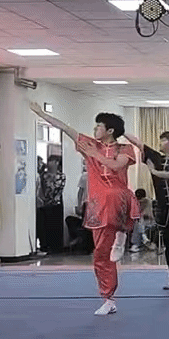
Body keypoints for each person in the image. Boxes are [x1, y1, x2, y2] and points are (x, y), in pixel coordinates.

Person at [30, 104, 138, 316]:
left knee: (115, 195)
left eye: (99, 126)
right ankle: (108, 297)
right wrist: (42, 114)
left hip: (118, 200)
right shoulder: (89, 143)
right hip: (98, 205)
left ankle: (121, 232)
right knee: (100, 254)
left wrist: (94, 154)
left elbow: (116, 166)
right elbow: (66, 128)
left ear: (110, 130)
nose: (95, 129)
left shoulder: (125, 149)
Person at [126, 130, 169, 290]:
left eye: (163, 140)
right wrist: (121, 130)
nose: (160, 143)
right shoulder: (157, 158)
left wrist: (154, 172)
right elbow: (139, 143)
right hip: (165, 209)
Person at [36, 154, 67, 253]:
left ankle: (56, 247)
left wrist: (51, 179)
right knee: (44, 225)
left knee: (55, 226)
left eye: (52, 161)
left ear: (57, 163)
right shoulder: (43, 176)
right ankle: (45, 245)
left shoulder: (61, 176)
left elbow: (57, 189)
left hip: (56, 203)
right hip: (44, 204)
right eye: (49, 161)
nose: (49, 164)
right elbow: (41, 189)